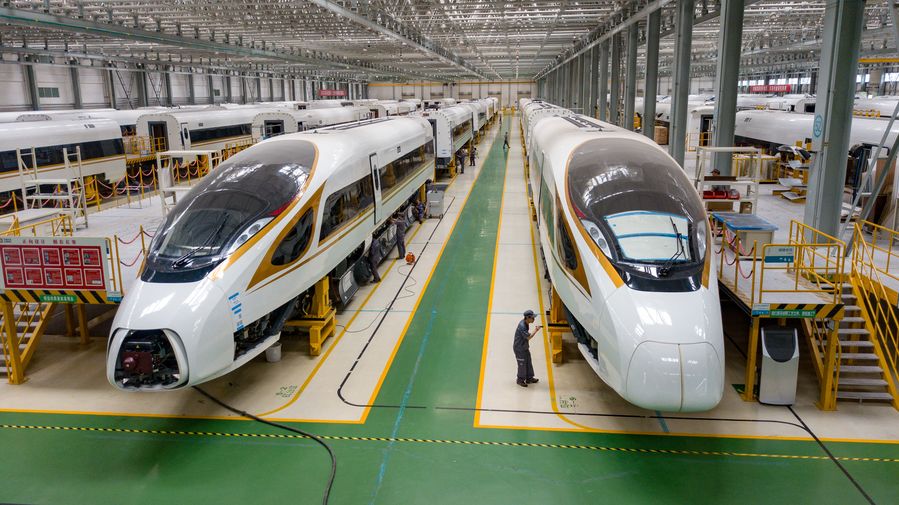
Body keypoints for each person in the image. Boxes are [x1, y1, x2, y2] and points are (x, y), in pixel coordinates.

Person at [513, 309, 542, 387]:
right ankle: (520, 380)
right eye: (532, 317)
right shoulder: (522, 326)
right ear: (527, 317)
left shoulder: (526, 323)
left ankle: (529, 378)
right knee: (522, 364)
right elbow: (528, 337)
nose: (534, 319)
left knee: (528, 362)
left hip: (524, 347)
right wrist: (536, 330)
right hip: (519, 349)